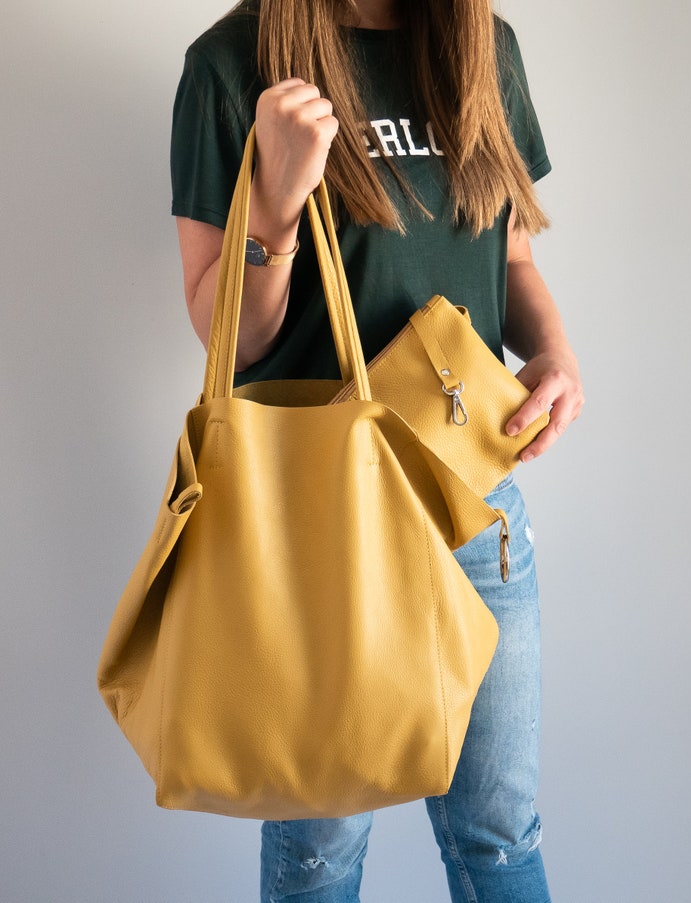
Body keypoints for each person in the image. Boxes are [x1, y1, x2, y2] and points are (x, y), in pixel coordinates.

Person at [170, 0, 583, 900]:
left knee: (501, 835)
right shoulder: (234, 63)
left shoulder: (483, 47)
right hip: (322, 526)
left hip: (476, 499)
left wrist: (553, 351)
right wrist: (274, 212)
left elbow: (510, 258)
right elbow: (227, 340)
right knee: (321, 855)